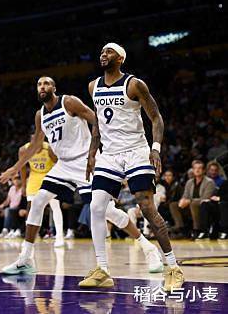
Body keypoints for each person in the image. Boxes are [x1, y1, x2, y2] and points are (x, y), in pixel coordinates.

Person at [0, 76, 163, 277]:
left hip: (85, 161)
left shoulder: (69, 102)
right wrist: (15, 168)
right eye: (39, 84)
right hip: (63, 164)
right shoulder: (40, 115)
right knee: (38, 201)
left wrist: (103, 153)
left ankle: (147, 247)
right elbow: (35, 145)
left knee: (107, 211)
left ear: (54, 87)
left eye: (47, 83)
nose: (42, 87)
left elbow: (97, 120)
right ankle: (25, 259)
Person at [82, 43, 184, 291]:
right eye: (102, 51)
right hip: (110, 155)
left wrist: (155, 148)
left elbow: (156, 117)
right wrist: (92, 153)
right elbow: (98, 123)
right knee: (96, 206)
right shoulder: (93, 86)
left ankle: (173, 267)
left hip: (136, 150)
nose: (103, 54)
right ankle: (103, 270)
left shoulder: (134, 84)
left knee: (146, 206)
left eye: (109, 51)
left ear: (121, 58)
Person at [21, 137, 65, 246]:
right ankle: (29, 238)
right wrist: (23, 185)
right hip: (34, 178)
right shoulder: (24, 150)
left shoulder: (49, 148)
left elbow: (58, 162)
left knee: (55, 206)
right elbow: (22, 168)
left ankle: (59, 236)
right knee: (31, 208)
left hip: (49, 176)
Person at [169, 160, 216, 239]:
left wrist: (190, 201)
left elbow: (206, 197)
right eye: (195, 168)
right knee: (173, 205)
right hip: (190, 206)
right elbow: (185, 195)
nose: (197, 170)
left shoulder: (209, 182)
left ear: (204, 170)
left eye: (199, 168)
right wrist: (182, 200)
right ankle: (181, 229)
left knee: (193, 204)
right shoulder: (189, 182)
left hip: (204, 207)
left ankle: (196, 230)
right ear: (193, 170)